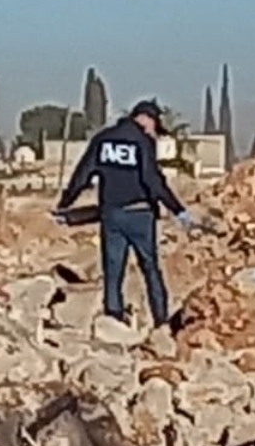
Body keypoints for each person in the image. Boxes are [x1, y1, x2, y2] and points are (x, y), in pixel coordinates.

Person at [54, 99, 194, 329]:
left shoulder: (103, 139)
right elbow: (153, 181)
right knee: (150, 268)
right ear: (146, 119)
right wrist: (178, 209)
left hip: (112, 215)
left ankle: (113, 320)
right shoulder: (142, 141)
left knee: (113, 270)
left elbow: (82, 176)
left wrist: (64, 205)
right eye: (154, 126)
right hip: (141, 215)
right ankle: (161, 320)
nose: (153, 132)